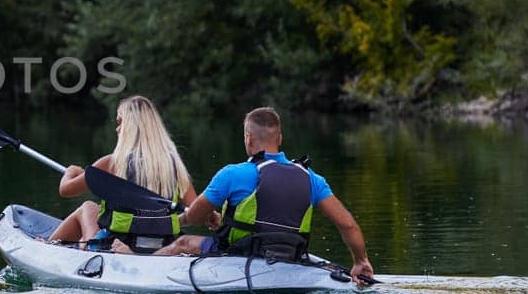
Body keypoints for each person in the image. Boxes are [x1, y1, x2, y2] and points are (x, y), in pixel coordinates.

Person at [156, 107, 375, 283]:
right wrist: (360, 260)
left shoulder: (232, 173)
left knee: (184, 242)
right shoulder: (311, 178)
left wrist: (181, 219)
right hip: (291, 256)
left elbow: (194, 217)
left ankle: (135, 263)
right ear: (279, 138)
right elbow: (348, 225)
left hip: (239, 256)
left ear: (248, 138)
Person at [50, 95, 197, 253]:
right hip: (164, 247)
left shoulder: (111, 163)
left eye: (119, 122)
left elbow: (66, 190)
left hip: (116, 247)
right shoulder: (175, 168)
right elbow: (195, 213)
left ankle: (47, 249)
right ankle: (70, 245)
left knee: (88, 207)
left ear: (130, 128)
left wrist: (71, 172)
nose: (116, 128)